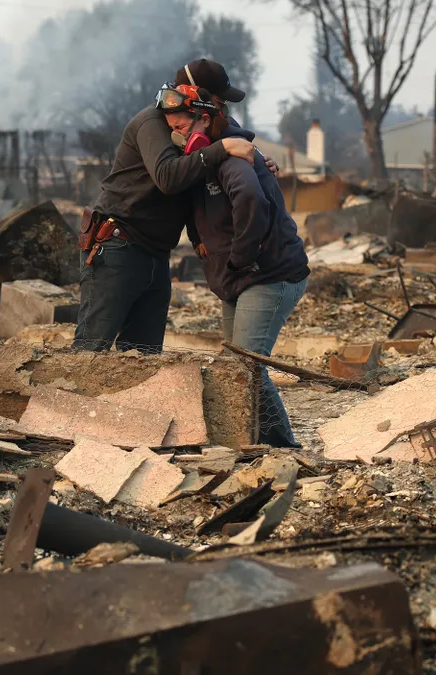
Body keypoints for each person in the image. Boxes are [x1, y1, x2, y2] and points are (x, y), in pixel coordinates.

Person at [72, 67, 278, 353]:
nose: (223, 112)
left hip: (155, 253)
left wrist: (257, 159)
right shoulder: (154, 124)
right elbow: (169, 177)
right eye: (219, 103)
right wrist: (224, 148)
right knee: (92, 347)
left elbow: (213, 163)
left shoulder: (200, 127)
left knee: (143, 354)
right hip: (118, 246)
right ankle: (66, 399)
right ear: (195, 96)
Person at [159, 84, 310, 448]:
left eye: (181, 128)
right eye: (171, 129)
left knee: (245, 366)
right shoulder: (206, 162)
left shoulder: (231, 158)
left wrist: (241, 257)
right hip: (238, 278)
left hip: (269, 275)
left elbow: (249, 197)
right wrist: (199, 240)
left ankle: (279, 445)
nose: (176, 136)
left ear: (204, 119)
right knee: (237, 366)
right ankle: (259, 441)